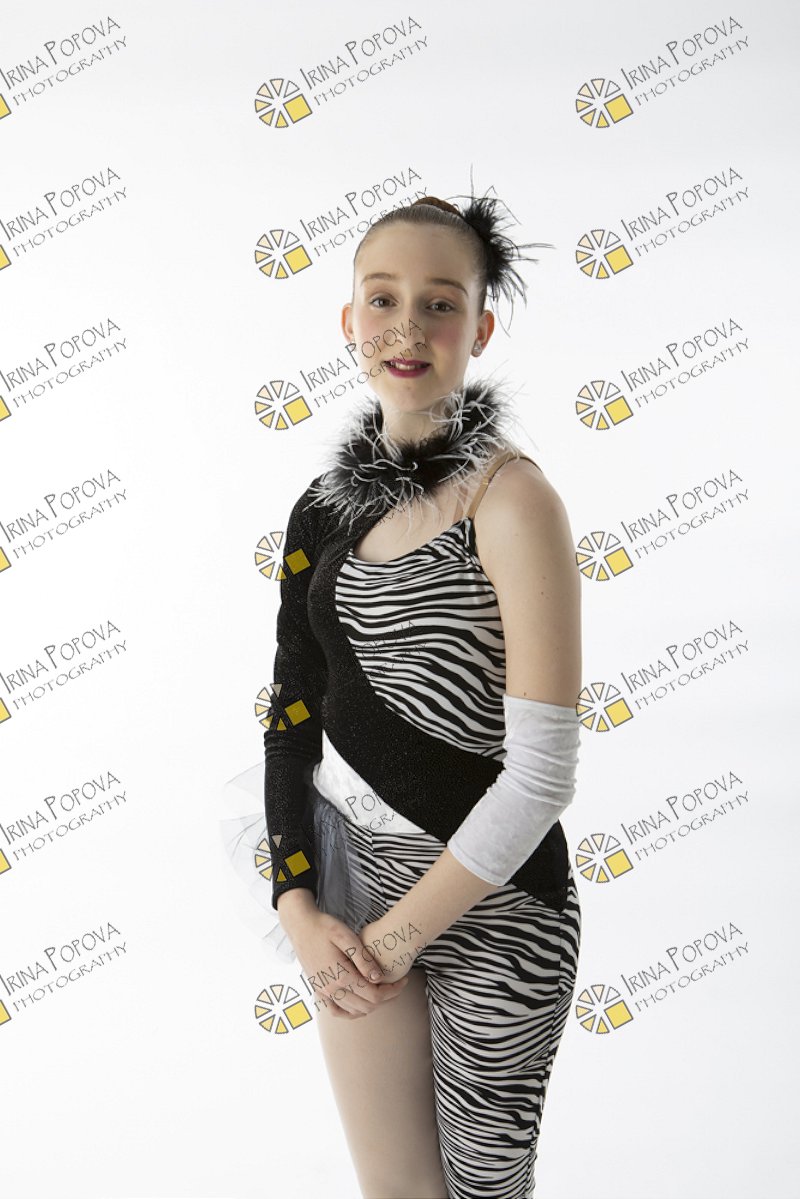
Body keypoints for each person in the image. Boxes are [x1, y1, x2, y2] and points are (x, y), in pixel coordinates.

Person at [262, 184, 583, 1199]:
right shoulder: (320, 510)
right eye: (383, 297)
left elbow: (541, 775)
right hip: (353, 904)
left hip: (495, 914)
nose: (408, 325)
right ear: (349, 319)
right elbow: (290, 714)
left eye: (441, 303)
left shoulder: (511, 500)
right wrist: (298, 904)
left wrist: (403, 935)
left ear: (478, 328)